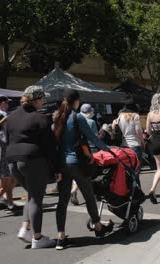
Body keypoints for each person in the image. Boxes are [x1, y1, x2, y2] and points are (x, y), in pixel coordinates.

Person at [53, 89, 114, 250]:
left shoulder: (57, 116)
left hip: (62, 163)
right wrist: (108, 149)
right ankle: (98, 228)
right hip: (77, 163)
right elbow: (92, 137)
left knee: (62, 201)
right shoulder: (77, 117)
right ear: (76, 101)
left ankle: (60, 237)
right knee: (89, 195)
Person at [6, 86, 59, 249]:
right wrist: (57, 169)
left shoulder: (11, 116)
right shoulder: (41, 118)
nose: (44, 102)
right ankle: (37, 238)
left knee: (31, 194)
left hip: (12, 161)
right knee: (37, 198)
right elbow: (50, 146)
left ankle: (25, 228)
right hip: (32, 160)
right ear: (36, 100)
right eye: (42, 99)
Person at [114, 102, 145, 186]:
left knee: (127, 170)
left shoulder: (120, 117)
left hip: (124, 146)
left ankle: (129, 190)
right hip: (135, 145)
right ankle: (137, 191)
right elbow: (138, 131)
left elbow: (115, 128)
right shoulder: (136, 116)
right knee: (136, 170)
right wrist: (143, 143)